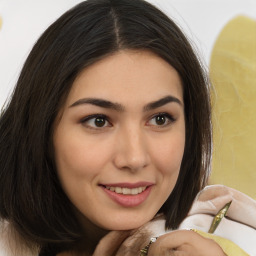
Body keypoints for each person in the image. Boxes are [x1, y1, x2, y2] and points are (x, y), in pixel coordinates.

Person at [0, 0, 255, 255]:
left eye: (160, 119)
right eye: (98, 121)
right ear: (40, 129)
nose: (134, 158)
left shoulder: (239, 238)